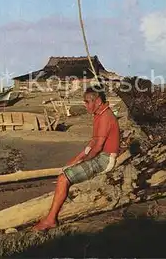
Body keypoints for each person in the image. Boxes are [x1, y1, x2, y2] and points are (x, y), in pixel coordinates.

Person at [32, 86, 120, 231]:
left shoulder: (105, 117)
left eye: (87, 102)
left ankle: (51, 220)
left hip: (105, 160)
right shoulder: (99, 114)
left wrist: (82, 161)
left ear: (97, 101)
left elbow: (97, 147)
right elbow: (92, 142)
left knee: (62, 179)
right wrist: (76, 159)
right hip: (100, 156)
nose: (85, 105)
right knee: (67, 168)